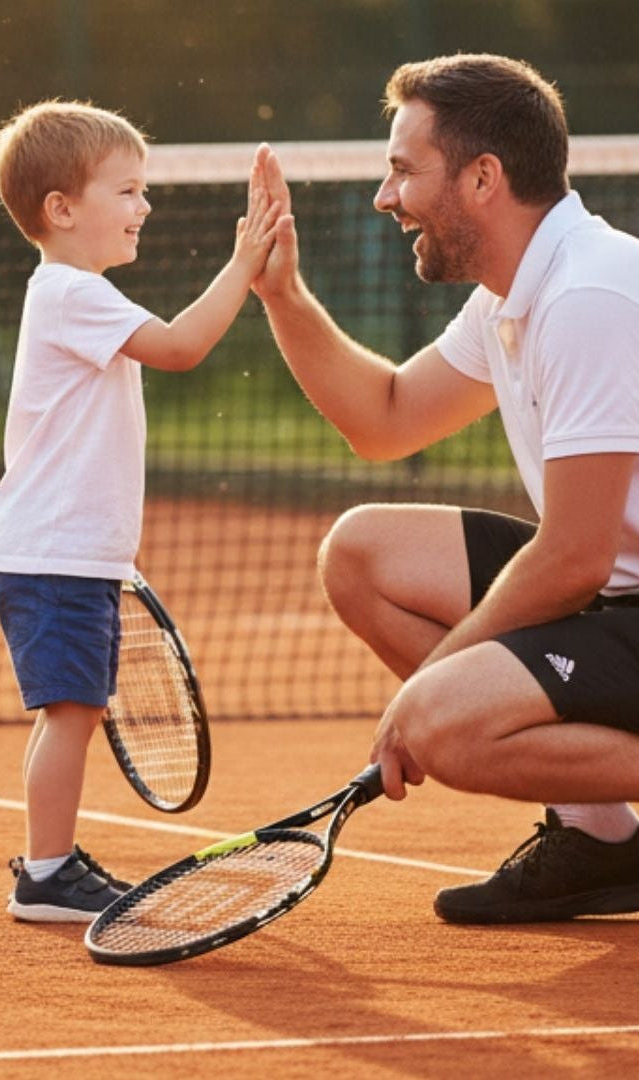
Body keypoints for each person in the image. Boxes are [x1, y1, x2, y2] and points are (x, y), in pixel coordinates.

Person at [254, 53, 639, 924]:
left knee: (442, 725)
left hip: (614, 586)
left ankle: (470, 729)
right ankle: (600, 837)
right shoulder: (515, 294)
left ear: (483, 178)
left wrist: (431, 691)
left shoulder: (589, 296)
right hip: (619, 593)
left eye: (401, 170)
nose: (388, 198)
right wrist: (283, 296)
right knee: (361, 554)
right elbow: (385, 418)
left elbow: (574, 555)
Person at [0, 100, 281, 922]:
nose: (144, 206)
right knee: (71, 714)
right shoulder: (70, 294)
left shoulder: (75, 297)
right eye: (127, 190)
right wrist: (243, 264)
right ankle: (46, 874)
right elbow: (183, 347)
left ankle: (49, 864)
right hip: (53, 553)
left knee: (68, 713)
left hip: (70, 551)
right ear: (62, 209)